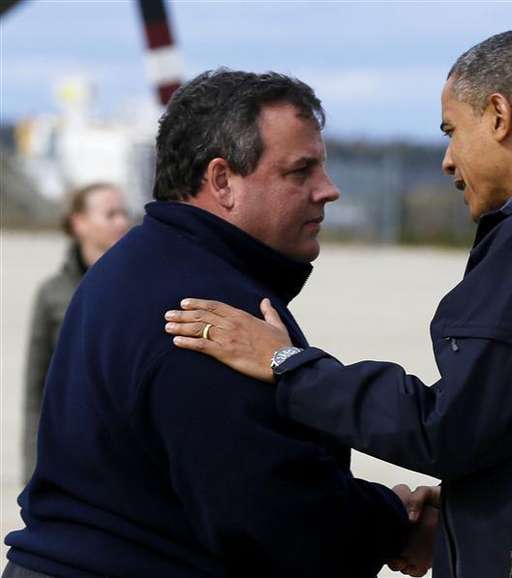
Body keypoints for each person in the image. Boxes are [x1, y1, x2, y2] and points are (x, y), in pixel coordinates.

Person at [164, 32, 512, 578]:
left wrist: (290, 367)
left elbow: (451, 428)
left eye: (451, 131)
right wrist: (480, 506)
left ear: (499, 115)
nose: (448, 160)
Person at [4, 70, 437, 578]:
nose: (329, 190)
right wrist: (397, 525)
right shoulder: (204, 312)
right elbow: (268, 513)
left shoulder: (136, 264)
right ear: (222, 181)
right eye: (301, 172)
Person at [22, 182, 129, 482]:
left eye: (123, 212)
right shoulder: (52, 293)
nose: (122, 222)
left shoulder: (139, 286)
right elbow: (35, 391)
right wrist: (33, 469)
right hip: (71, 459)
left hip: (127, 459)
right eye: (110, 214)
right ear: (79, 223)